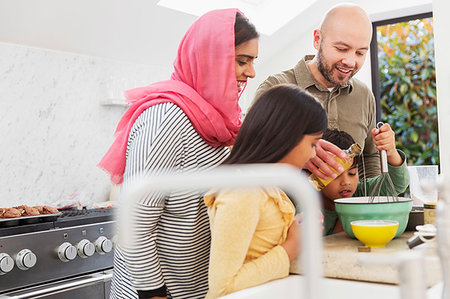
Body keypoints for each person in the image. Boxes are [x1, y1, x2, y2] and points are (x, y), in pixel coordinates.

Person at [98, 9, 259, 299]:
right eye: (241, 61)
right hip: (153, 293)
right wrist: (156, 294)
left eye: (252, 62)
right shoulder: (165, 119)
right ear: (211, 60)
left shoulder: (223, 122)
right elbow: (135, 224)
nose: (251, 72)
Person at [204, 84, 327, 298]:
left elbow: (259, 241)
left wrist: (297, 228)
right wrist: (291, 247)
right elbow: (222, 287)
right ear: (288, 136)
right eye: (313, 144)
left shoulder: (264, 182)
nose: (313, 154)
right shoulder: (243, 190)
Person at [254, 3, 381, 180]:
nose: (351, 62)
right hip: (286, 207)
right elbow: (251, 155)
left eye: (360, 53)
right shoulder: (275, 88)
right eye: (341, 49)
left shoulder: (363, 95)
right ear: (317, 39)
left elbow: (369, 157)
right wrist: (296, 152)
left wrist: (372, 205)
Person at [320, 126, 410, 235]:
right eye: (336, 175)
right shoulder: (308, 207)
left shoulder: (362, 192)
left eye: (352, 173)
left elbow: (398, 183)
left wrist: (391, 152)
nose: (346, 182)